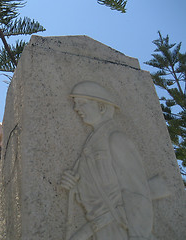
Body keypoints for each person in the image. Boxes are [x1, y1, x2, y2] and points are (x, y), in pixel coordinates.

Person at [61, 81, 154, 240]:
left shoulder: (115, 139)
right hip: (101, 228)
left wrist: (139, 235)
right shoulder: (92, 142)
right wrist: (75, 185)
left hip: (118, 227)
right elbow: (98, 185)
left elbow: (137, 193)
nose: (76, 109)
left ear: (102, 107)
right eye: (76, 104)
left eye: (82, 103)